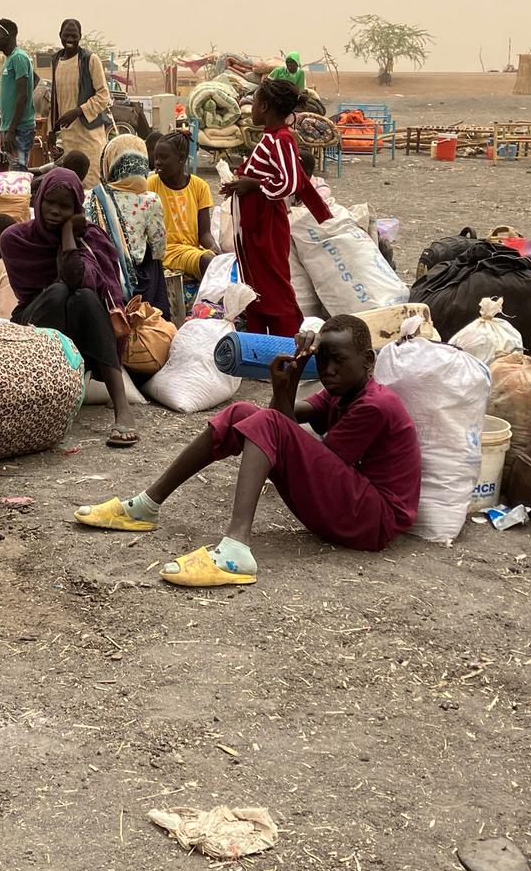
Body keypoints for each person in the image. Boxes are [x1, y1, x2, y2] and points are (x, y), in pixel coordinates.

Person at [74, 315, 421, 587]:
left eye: (339, 361)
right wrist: (288, 382)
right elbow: (284, 426)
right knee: (242, 412)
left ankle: (237, 547)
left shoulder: (374, 405)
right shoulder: (340, 392)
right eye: (324, 361)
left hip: (374, 521)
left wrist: (281, 407)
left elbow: (302, 453)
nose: (329, 371)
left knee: (264, 422)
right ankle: (146, 506)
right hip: (351, 507)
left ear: (368, 361)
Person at [0, 167, 137, 448]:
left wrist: (68, 235)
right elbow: (39, 289)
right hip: (35, 321)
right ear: (38, 200)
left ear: (76, 209)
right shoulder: (14, 238)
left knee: (84, 297)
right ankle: (40, 403)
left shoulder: (90, 237)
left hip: (81, 325)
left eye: (65, 206)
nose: (55, 211)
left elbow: (79, 278)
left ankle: (122, 407)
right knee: (61, 291)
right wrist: (67, 240)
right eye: (50, 202)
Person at [221, 77, 331, 336]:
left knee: (274, 287)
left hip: (267, 225)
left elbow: (289, 181)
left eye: (255, 103)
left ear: (266, 107)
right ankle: (260, 347)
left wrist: (254, 186)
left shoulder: (282, 139)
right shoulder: (270, 138)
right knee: (256, 285)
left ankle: (289, 346)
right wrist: (238, 186)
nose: (253, 108)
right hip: (254, 224)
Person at [86, 134, 169, 316]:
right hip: (140, 282)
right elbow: (159, 249)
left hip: (102, 277)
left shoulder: (93, 198)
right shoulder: (150, 200)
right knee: (153, 259)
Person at [49, 20, 111, 187]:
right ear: (60, 35)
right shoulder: (56, 60)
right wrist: (51, 131)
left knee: (92, 183)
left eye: (74, 36)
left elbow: (103, 96)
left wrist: (78, 111)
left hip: (89, 137)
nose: (70, 39)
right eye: (66, 35)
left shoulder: (90, 60)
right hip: (68, 138)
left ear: (80, 37)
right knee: (72, 184)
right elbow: (55, 98)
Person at [147, 132, 215, 280]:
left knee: (219, 262)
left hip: (192, 250)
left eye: (163, 158)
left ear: (181, 158)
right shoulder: (150, 185)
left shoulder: (200, 186)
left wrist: (216, 250)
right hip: (167, 251)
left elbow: (204, 234)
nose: (157, 162)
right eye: (156, 158)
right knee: (208, 262)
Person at [0, 19, 37, 169]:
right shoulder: (10, 59)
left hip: (18, 130)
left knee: (18, 177)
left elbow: (22, 95)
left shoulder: (19, 57)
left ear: (8, 36)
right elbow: (35, 79)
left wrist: (12, 129)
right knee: (8, 175)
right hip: (9, 128)